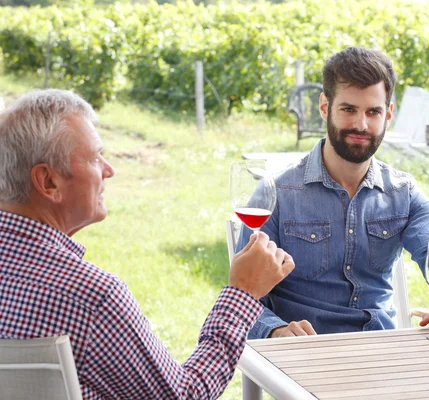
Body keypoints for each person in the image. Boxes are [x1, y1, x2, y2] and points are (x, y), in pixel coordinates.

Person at [0, 89, 295, 399]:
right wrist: (243, 292)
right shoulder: (92, 298)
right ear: (48, 182)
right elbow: (183, 396)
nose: (108, 170)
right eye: (94, 157)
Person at [238, 46, 429, 340]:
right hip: (306, 358)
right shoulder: (277, 195)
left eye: (373, 112)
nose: (361, 125)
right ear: (325, 106)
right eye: (348, 109)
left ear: (388, 114)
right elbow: (241, 300)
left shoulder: (405, 194)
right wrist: (275, 329)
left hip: (380, 354)